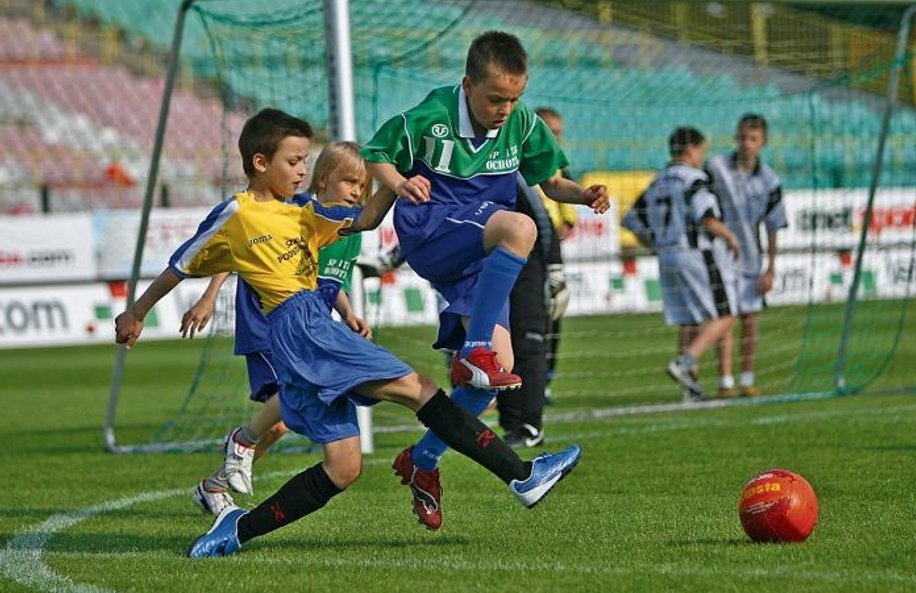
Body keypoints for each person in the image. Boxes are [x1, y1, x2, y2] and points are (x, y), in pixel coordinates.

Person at [114, 108, 583, 558]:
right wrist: (137, 312)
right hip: (301, 326)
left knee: (344, 467)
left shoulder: (302, 213)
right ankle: (521, 475)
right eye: (294, 161)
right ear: (260, 162)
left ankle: (235, 528)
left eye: (304, 161)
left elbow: (363, 220)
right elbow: (182, 262)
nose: (302, 171)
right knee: (418, 389)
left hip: (309, 327)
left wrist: (399, 179)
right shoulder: (237, 213)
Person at [361, 31, 609, 530]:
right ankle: (474, 347)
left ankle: (423, 461)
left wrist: (582, 194)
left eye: (514, 98)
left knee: (497, 374)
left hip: (477, 249)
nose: (505, 108)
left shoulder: (521, 124)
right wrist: (399, 182)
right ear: (467, 84)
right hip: (430, 227)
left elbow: (552, 182)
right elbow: (377, 153)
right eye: (495, 98)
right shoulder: (431, 117)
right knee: (520, 225)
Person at [182, 142, 373, 516]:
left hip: (310, 325)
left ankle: (216, 481)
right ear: (322, 180)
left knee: (279, 423)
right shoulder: (296, 210)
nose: (357, 192)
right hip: (268, 320)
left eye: (363, 186)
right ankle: (235, 452)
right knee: (282, 416)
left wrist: (348, 313)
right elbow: (238, 245)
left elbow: (329, 280)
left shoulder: (350, 228)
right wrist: (210, 295)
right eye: (350, 181)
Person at [622, 127, 740, 401]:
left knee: (688, 320)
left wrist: (655, 245)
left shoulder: (657, 181)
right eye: (701, 150)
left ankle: (691, 389)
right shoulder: (695, 179)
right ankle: (685, 363)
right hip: (696, 253)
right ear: (691, 150)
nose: (702, 156)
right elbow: (707, 217)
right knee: (725, 314)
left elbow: (632, 220)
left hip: (667, 256)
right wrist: (731, 238)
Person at [708, 114, 787, 397]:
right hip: (721, 255)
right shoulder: (717, 167)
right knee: (726, 317)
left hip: (753, 259)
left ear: (763, 142)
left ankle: (747, 378)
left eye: (752, 139)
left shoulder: (769, 180)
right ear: (735, 137)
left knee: (750, 319)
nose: (746, 144)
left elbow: (774, 226)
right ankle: (725, 381)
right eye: (742, 137)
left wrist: (771, 268)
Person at [495, 175, 557, 448]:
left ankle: (531, 424)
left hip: (526, 266)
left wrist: (555, 268)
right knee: (498, 347)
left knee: (529, 342)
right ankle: (510, 426)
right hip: (485, 266)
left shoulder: (511, 174)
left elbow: (543, 219)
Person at [533, 107, 577, 405]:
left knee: (552, 312)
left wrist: (565, 226)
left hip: (549, 247)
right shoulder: (525, 159)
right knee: (529, 317)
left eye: (560, 132)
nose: (557, 137)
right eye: (552, 131)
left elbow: (568, 213)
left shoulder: (557, 164)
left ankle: (545, 380)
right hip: (525, 242)